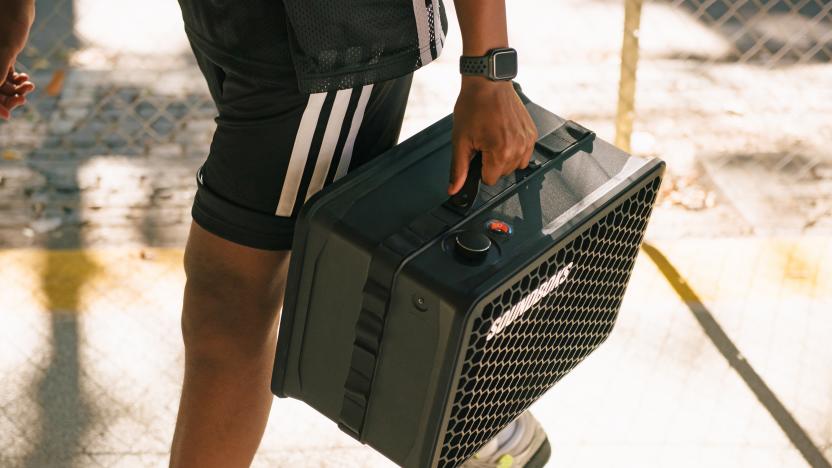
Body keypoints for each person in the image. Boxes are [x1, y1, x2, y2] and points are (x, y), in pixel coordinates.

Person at [1, 0, 549, 466]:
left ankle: (483, 421)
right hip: (239, 31)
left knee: (229, 305)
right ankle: (484, 421)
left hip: (326, 38)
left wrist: (489, 69)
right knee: (315, 263)